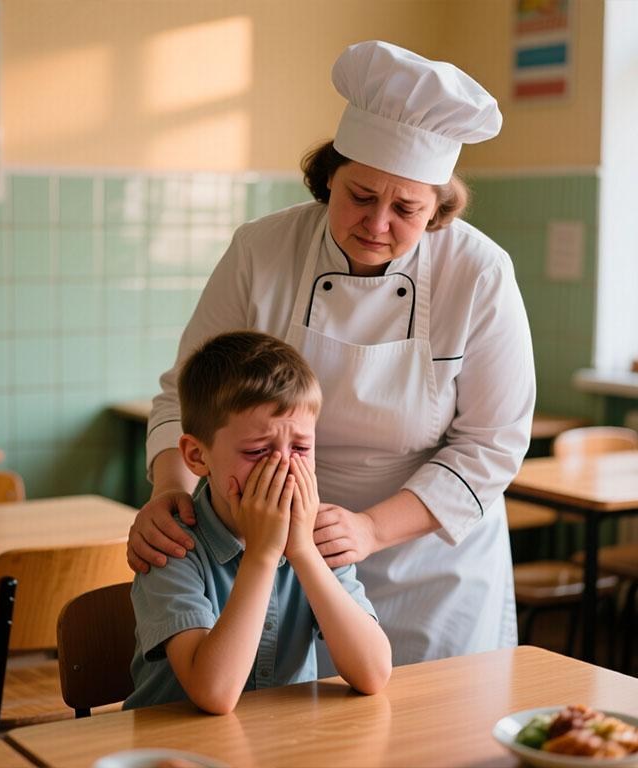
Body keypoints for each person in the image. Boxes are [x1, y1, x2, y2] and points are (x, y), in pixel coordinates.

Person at [127, 41, 536, 667]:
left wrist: (370, 529)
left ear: (437, 210)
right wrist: (169, 494)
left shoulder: (477, 271)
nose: (377, 224)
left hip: (429, 561)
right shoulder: (262, 250)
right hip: (270, 548)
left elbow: (493, 446)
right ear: (329, 178)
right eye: (361, 195)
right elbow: (186, 393)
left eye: (406, 209)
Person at [124, 331, 392, 714]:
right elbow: (214, 693)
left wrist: (301, 551)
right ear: (198, 456)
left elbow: (373, 673)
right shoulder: (171, 544)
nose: (282, 467)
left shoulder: (315, 538)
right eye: (257, 451)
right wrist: (263, 555)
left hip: (282, 747)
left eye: (300, 448)